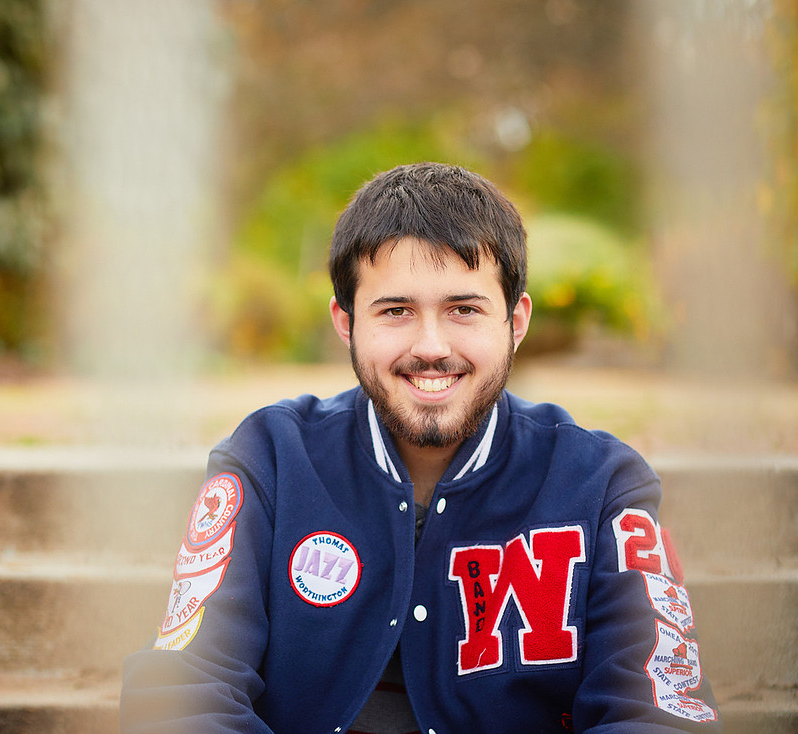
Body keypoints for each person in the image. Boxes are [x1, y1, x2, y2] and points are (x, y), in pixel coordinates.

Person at [119, 162, 721, 733]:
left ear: (516, 322)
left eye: (464, 309)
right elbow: (180, 691)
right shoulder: (270, 460)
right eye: (396, 310)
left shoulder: (603, 486)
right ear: (346, 322)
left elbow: (661, 709)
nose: (431, 346)